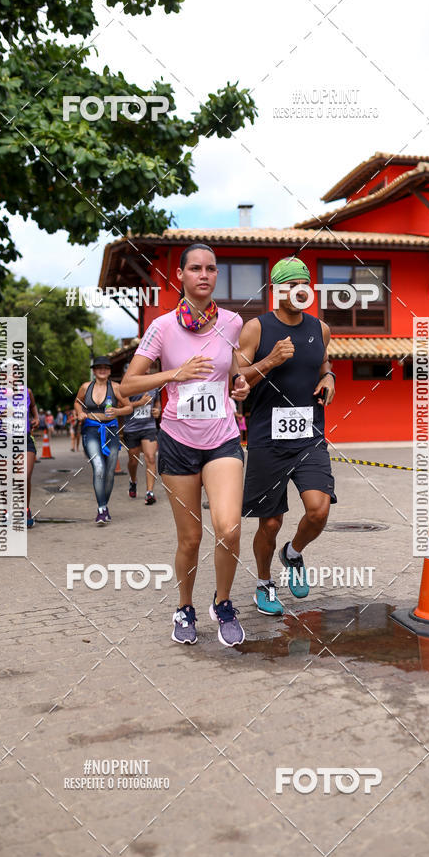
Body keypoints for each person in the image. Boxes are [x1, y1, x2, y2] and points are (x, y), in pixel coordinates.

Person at [120, 243, 250, 647]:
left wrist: (241, 384)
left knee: (228, 528)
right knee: (190, 538)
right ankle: (185, 606)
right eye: (195, 268)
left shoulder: (232, 323)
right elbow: (127, 386)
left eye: (211, 268)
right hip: (178, 440)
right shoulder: (162, 328)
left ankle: (223, 603)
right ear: (180, 275)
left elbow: (236, 374)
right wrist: (175, 373)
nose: (204, 275)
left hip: (223, 437)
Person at [238, 257, 337, 615]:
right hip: (267, 439)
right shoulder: (256, 329)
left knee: (319, 510)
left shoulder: (321, 328)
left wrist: (330, 378)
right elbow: (238, 381)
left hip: (310, 436)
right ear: (276, 289)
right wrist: (270, 361)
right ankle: (264, 582)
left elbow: (323, 363)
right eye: (289, 284)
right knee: (271, 521)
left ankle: (293, 553)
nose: (298, 290)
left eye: (303, 284)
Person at [74, 356, 139, 525]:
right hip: (90, 430)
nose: (102, 370)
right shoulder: (85, 387)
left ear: (109, 371)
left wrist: (117, 411)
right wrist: (80, 413)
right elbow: (78, 402)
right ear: (94, 370)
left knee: (110, 472)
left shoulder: (116, 388)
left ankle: (104, 505)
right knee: (99, 467)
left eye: (106, 367)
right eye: (99, 367)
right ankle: (101, 509)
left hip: (111, 431)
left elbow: (129, 407)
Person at [0, 371, 40, 528]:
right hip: (2, 440)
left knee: (23, 476)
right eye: (8, 372)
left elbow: (33, 406)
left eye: (15, 372)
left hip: (23, 440)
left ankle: (25, 509)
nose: (12, 375)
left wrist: (36, 417)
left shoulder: (27, 391)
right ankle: (4, 512)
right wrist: (2, 414)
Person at [124, 377, 161, 505]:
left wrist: (157, 410)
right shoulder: (128, 383)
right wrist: (140, 402)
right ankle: (133, 481)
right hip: (131, 428)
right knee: (133, 461)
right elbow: (121, 405)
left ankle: (149, 492)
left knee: (150, 457)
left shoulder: (154, 383)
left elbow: (156, 402)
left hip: (149, 427)